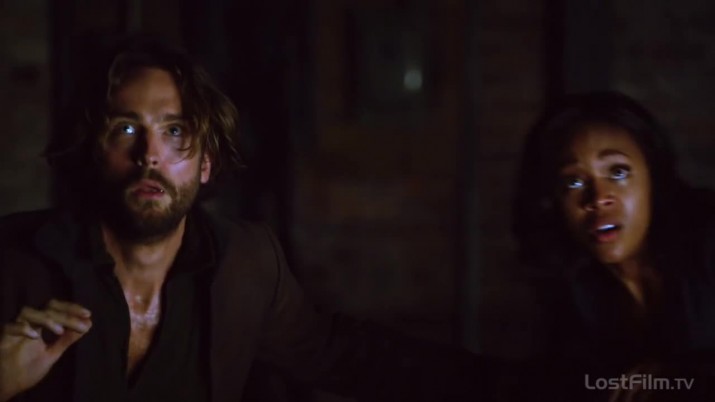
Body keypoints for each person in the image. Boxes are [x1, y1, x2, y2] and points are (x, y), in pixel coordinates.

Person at [0, 37, 489, 402]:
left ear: (206, 163)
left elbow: (343, 355)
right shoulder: (14, 262)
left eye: (175, 131)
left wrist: (510, 385)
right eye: (126, 129)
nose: (149, 154)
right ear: (93, 151)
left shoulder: (244, 263)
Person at [510, 91, 715, 401]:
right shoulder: (577, 286)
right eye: (574, 182)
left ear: (654, 176)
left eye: (618, 172)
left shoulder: (706, 239)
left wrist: (682, 374)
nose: (597, 198)